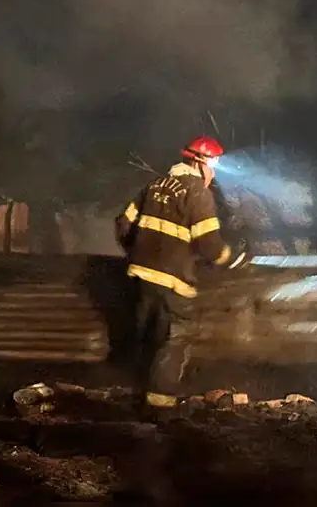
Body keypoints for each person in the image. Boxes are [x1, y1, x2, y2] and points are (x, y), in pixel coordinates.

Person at [114, 135, 248, 419]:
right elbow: (208, 242)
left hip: (140, 277)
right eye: (214, 165)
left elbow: (123, 223)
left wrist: (135, 253)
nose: (214, 172)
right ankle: (160, 412)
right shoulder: (197, 192)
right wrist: (233, 260)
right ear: (200, 163)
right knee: (175, 340)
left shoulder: (155, 185)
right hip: (173, 282)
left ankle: (135, 399)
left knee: (148, 337)